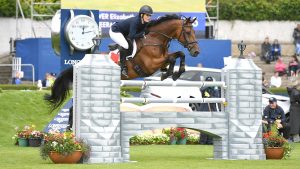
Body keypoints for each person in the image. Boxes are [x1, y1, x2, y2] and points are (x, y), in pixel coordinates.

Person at [109, 5, 153, 77]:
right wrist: (141, 34)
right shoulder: (135, 21)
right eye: (147, 15)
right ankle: (123, 67)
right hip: (115, 31)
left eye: (150, 15)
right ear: (142, 15)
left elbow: (143, 31)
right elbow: (131, 36)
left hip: (124, 33)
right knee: (125, 45)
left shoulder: (145, 22)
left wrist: (143, 33)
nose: (149, 17)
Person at [198, 76, 220, 145]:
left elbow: (216, 97)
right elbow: (201, 91)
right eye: (208, 82)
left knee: (211, 126)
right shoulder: (204, 88)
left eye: (210, 82)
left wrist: (210, 97)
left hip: (212, 109)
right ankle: (202, 141)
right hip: (204, 109)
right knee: (204, 126)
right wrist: (206, 87)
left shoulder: (215, 88)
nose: (209, 83)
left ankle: (210, 141)